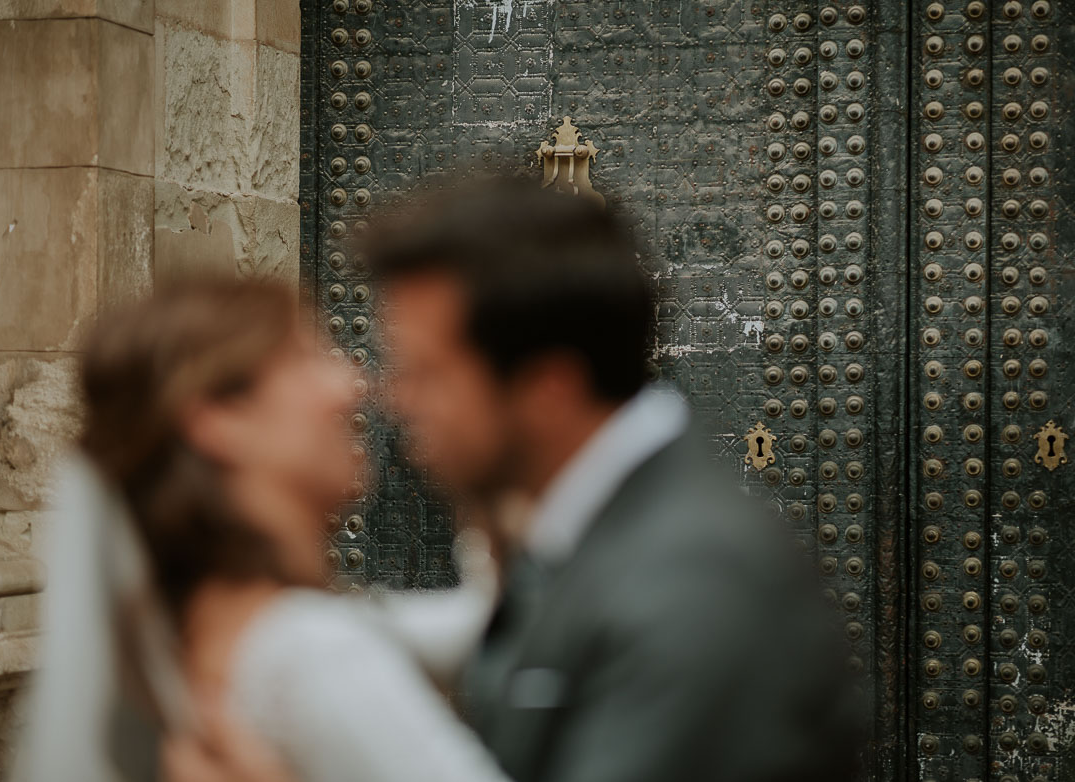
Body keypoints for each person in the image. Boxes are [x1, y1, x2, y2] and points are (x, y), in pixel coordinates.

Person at [365, 177, 861, 782]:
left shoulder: (691, 578)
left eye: (426, 374)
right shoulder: (600, 533)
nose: (394, 401)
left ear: (549, 387)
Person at [15, 278, 517, 782]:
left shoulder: (186, 639)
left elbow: (478, 624)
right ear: (217, 418)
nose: (349, 385)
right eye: (306, 359)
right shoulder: (312, 652)